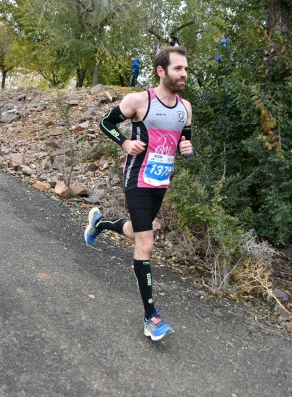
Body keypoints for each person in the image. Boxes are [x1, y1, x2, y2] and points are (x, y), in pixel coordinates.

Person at [84, 46, 194, 342]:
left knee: (136, 232)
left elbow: (185, 141)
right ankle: (151, 317)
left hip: (161, 183)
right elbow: (106, 123)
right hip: (137, 178)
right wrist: (124, 143)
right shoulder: (139, 101)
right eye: (178, 69)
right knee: (146, 242)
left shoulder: (186, 108)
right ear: (161, 71)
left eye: (185, 69)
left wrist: (188, 149)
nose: (184, 74)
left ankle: (101, 223)